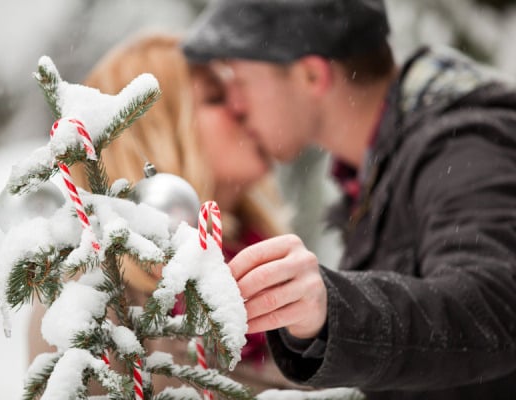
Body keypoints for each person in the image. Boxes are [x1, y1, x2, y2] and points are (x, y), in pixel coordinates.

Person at [181, 1, 516, 399]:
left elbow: (493, 304)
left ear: (311, 74)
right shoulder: (381, 169)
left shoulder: (462, 149)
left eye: (239, 79)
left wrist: (331, 309)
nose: (235, 103)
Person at [28, 32, 311, 394]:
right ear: (158, 130)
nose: (244, 107)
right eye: (216, 97)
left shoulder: (267, 258)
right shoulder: (93, 293)